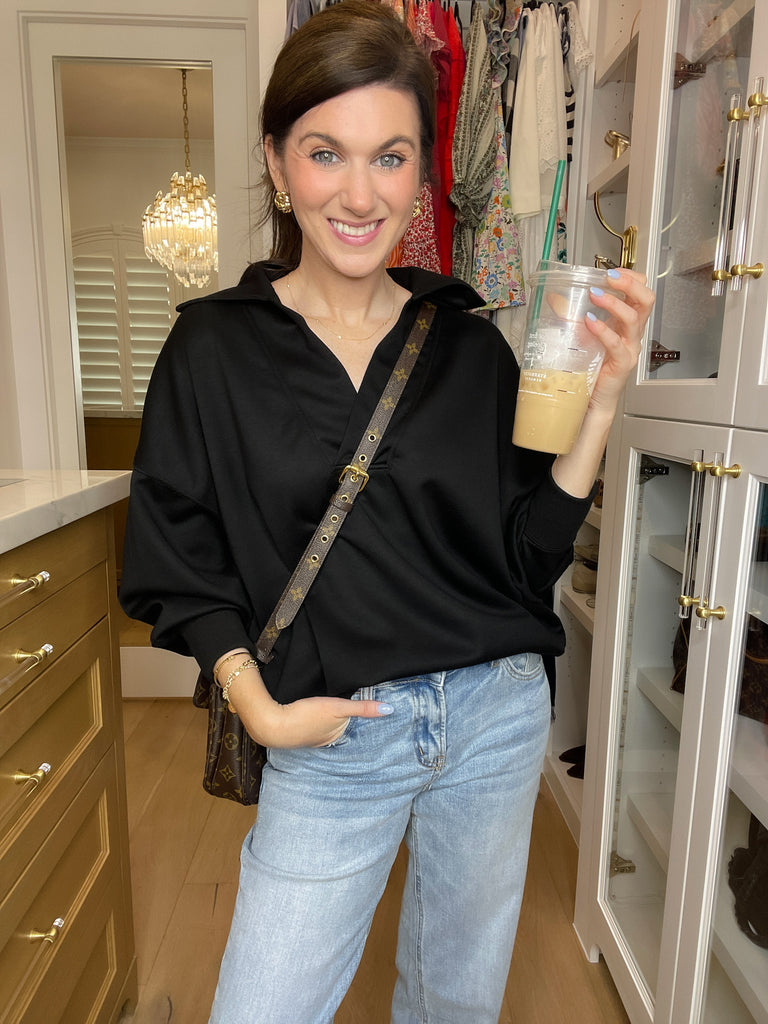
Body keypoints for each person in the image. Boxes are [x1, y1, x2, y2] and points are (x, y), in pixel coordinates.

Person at [119, 2, 655, 1021]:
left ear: (420, 176)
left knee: (454, 1005)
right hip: (330, 733)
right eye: (326, 152)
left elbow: (527, 556)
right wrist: (258, 706)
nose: (359, 194)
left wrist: (603, 405)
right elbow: (174, 557)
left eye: (390, 157)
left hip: (495, 715)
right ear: (278, 163)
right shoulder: (212, 347)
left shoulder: (468, 345)